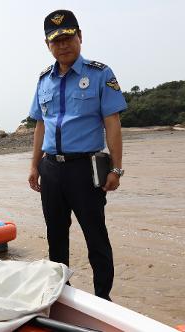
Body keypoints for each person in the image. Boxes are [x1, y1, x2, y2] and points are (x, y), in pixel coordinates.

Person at [27, 9, 127, 300]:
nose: (63, 45)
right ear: (48, 45)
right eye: (56, 41)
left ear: (80, 37)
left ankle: (103, 298)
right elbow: (40, 125)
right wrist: (34, 166)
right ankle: (63, 296)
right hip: (51, 170)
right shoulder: (44, 79)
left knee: (95, 235)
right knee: (55, 236)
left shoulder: (100, 74)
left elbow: (113, 123)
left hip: (86, 168)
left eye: (68, 37)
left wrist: (117, 169)